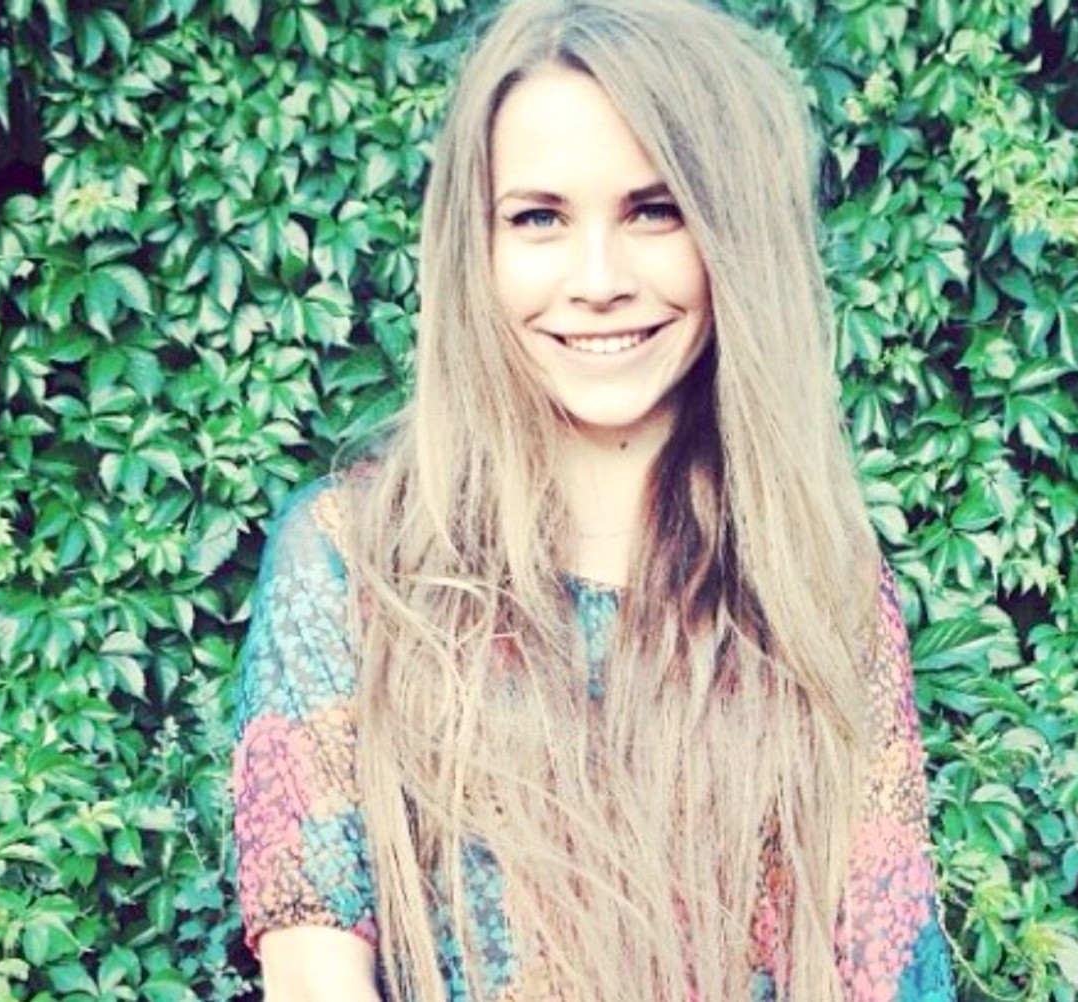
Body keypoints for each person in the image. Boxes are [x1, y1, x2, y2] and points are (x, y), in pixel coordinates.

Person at [232, 0, 957, 999]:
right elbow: (314, 963)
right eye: (540, 218)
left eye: (654, 211)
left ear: (732, 234)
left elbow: (886, 962)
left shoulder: (822, 585)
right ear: (476, 247)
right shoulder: (356, 560)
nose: (599, 279)